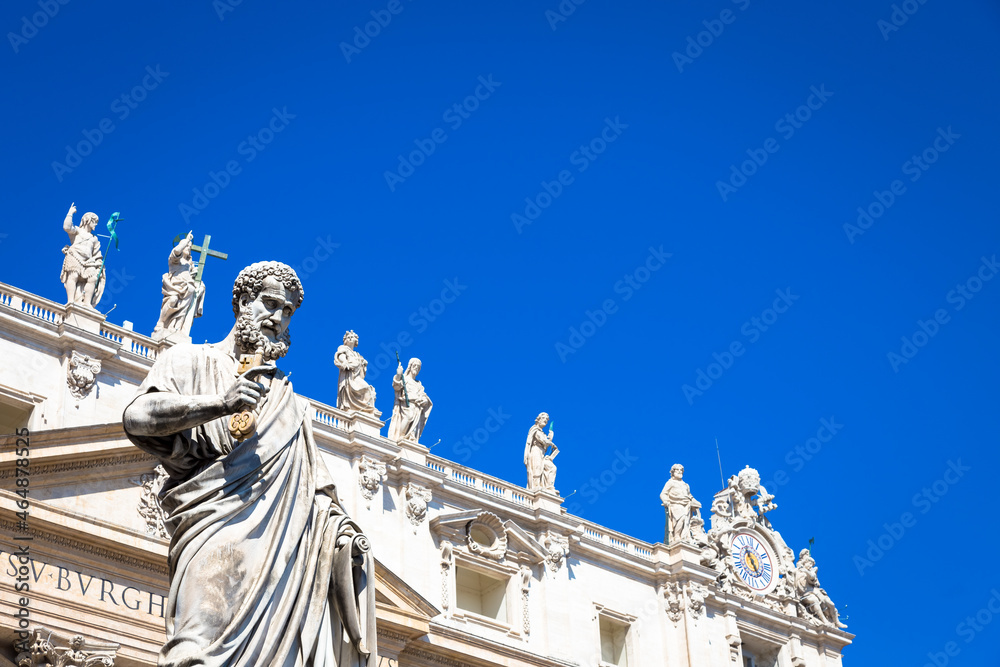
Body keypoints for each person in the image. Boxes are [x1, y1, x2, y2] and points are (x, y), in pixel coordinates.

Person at [123, 261, 376, 667]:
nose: (277, 318)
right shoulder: (190, 360)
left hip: (281, 559)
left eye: (288, 311)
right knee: (194, 651)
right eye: (270, 303)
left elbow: (319, 497)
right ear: (242, 301)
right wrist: (218, 404)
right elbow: (137, 418)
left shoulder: (290, 404)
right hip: (211, 532)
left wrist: (344, 540)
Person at [151, 232, 206, 342]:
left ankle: (177, 329)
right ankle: (162, 322)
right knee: (173, 300)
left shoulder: (189, 264)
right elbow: (176, 251)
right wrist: (186, 240)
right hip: (174, 287)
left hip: (187, 290)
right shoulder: (175, 260)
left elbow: (193, 278)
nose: (188, 248)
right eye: (186, 246)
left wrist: (194, 277)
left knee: (183, 311)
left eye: (189, 247)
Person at [60, 202, 104, 307]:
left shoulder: (94, 238)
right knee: (73, 276)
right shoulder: (78, 231)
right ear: (88, 220)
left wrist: (99, 263)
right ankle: (71, 301)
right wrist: (70, 213)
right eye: (94, 221)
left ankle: (87, 303)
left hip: (88, 262)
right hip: (74, 256)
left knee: (93, 278)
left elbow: (97, 254)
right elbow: (67, 227)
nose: (96, 224)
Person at [387, 358, 432, 442]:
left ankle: (410, 439)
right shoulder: (405, 379)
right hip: (407, 403)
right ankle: (401, 436)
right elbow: (396, 386)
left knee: (414, 426)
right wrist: (398, 375)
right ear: (410, 366)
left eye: (418, 367)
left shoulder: (419, 384)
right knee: (409, 416)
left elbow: (423, 395)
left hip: (417, 406)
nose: (416, 368)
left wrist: (424, 400)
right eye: (415, 366)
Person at [334, 330, 377, 413]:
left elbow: (361, 370)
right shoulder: (343, 348)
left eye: (352, 337)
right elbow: (340, 355)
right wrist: (344, 362)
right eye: (348, 337)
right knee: (364, 389)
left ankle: (366, 411)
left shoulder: (357, 354)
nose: (350, 338)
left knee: (368, 390)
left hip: (356, 377)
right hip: (349, 377)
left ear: (355, 341)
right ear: (345, 340)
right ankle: (354, 408)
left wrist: (363, 364)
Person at [660, 463, 698, 544]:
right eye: (677, 470)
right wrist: (666, 501)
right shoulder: (670, 483)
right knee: (681, 518)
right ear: (673, 472)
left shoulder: (685, 485)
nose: (680, 471)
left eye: (681, 470)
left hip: (686, 504)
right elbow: (663, 494)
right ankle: (677, 536)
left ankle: (684, 537)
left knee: (686, 522)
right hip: (675, 504)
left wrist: (696, 502)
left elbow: (689, 495)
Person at [523, 412, 553, 491]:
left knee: (552, 468)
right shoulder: (535, 429)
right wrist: (549, 441)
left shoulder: (543, 433)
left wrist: (550, 438)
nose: (546, 420)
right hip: (536, 451)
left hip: (542, 453)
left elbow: (545, 445)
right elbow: (541, 440)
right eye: (544, 418)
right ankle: (536, 486)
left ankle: (549, 487)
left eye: (547, 419)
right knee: (537, 468)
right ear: (538, 419)